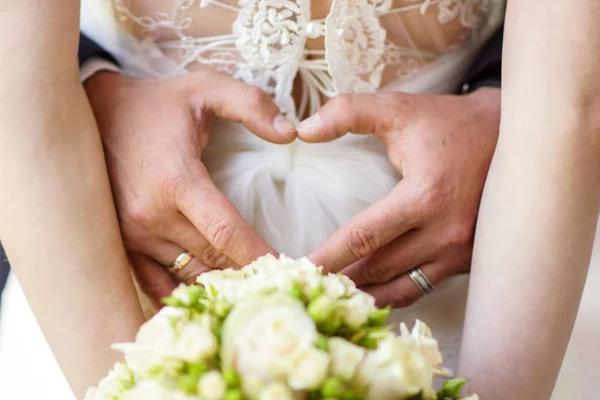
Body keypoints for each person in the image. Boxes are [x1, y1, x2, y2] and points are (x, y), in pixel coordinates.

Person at [0, 1, 597, 399]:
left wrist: (498, 103)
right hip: (106, 267)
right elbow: (18, 84)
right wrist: (134, 385)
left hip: (489, 260)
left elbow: (570, 101)